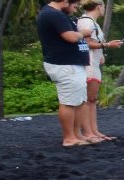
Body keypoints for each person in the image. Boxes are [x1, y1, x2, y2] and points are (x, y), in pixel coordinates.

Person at [38, 0, 91, 147]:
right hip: (64, 64)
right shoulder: (53, 14)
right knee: (69, 102)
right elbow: (71, 37)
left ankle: (77, 134)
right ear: (66, 2)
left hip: (72, 64)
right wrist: (83, 33)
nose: (75, 9)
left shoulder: (56, 14)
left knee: (79, 101)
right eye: (74, 5)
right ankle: (69, 137)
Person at [75, 0, 121, 144]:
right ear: (98, 6)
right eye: (103, 7)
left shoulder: (93, 23)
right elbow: (86, 43)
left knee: (92, 100)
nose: (104, 10)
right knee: (88, 101)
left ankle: (94, 131)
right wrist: (108, 44)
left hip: (93, 64)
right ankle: (88, 133)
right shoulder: (86, 22)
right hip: (88, 66)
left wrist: (101, 53)